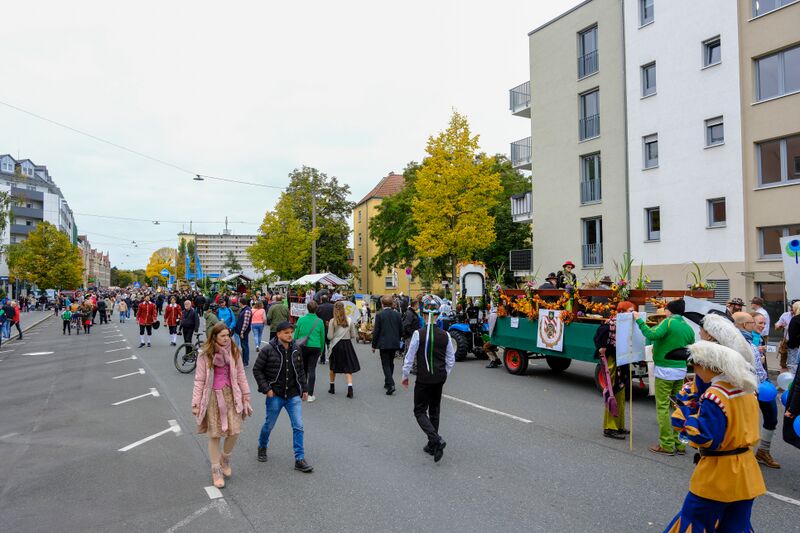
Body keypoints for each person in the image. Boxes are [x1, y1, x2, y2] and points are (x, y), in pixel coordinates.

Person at [665, 340, 765, 533]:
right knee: (735, 526)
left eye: (694, 365)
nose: (694, 370)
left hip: (718, 474)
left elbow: (707, 438)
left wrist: (684, 415)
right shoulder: (747, 389)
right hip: (746, 471)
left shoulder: (715, 394)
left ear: (706, 366)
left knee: (694, 521)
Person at [191, 322, 252, 489]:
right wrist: (196, 403)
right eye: (223, 336)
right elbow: (199, 380)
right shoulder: (205, 354)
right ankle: (216, 469)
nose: (227, 338)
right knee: (215, 434)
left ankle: (225, 458)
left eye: (228, 335)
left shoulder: (234, 351)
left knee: (235, 430)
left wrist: (246, 394)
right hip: (212, 397)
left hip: (232, 395)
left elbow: (241, 374)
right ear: (214, 337)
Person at [634, 299, 695, 455]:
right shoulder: (688, 328)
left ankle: (666, 444)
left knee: (662, 407)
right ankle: (680, 444)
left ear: (670, 311)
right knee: (678, 407)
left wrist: (638, 320)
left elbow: (651, 334)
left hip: (664, 370)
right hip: (680, 370)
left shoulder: (668, 323)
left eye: (666, 310)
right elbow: (691, 348)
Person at [252, 321, 313, 473]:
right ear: (278, 334)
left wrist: (304, 389)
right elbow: (257, 370)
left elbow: (300, 370)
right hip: (276, 395)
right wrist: (266, 389)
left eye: (291, 332)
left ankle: (299, 459)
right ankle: (262, 446)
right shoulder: (267, 350)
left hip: (293, 395)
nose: (289, 335)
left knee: (298, 426)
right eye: (286, 332)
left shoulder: (296, 349)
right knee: (269, 425)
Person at [402, 295, 455, 463]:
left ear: (423, 315)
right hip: (439, 378)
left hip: (424, 378)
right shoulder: (445, 335)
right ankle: (432, 444)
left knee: (419, 410)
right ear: (438, 315)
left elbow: (409, 357)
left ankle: (436, 439)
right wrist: (444, 373)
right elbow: (450, 359)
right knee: (434, 410)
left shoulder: (418, 334)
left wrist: (405, 374)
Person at [732, 311, 780, 469]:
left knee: (771, 418)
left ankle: (763, 451)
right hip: (749, 388)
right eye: (757, 323)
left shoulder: (752, 341)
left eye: (763, 323)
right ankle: (741, 456)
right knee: (746, 423)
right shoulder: (737, 343)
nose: (762, 326)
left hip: (763, 385)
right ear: (746, 325)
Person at [593, 301, 636, 439]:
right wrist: (602, 348)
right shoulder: (610, 324)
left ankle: (619, 425)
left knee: (621, 393)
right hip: (612, 362)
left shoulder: (629, 325)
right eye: (630, 311)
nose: (633, 314)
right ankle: (609, 427)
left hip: (623, 361)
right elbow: (598, 339)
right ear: (622, 311)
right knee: (612, 392)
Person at [293, 301, 325, 402]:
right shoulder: (319, 321)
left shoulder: (301, 319)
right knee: (312, 369)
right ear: (316, 309)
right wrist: (322, 350)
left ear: (307, 308)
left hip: (302, 346)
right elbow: (322, 337)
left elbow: (295, 335)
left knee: (303, 369)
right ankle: (310, 394)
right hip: (315, 346)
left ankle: (303, 392)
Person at [327, 301, 360, 398]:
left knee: (333, 366)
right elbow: (353, 335)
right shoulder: (349, 320)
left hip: (336, 345)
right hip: (347, 345)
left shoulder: (333, 321)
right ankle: (350, 387)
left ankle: (332, 387)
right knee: (348, 367)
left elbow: (330, 336)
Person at [372, 295, 403, 395]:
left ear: (382, 304)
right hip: (394, 342)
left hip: (384, 343)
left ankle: (391, 384)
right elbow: (401, 329)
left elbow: (376, 331)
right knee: (391, 363)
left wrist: (373, 345)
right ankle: (387, 381)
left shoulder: (380, 315)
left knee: (385, 364)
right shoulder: (397, 314)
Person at [775, 301, 797, 372]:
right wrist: (780, 326)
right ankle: (784, 380)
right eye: (790, 307)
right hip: (786, 342)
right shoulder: (785, 315)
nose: (791, 309)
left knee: (795, 363)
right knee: (783, 363)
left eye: (792, 307)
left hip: (797, 343)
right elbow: (776, 326)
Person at [316, 295, 335, 364]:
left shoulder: (319, 307)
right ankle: (331, 357)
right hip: (331, 326)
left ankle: (322, 358)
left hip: (321, 327)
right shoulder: (332, 306)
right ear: (328, 299)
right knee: (330, 343)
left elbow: (316, 317)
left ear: (321, 300)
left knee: (322, 343)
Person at [235, 297, 253, 367]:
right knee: (243, 346)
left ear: (241, 303)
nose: (238, 303)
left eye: (239, 302)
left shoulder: (247, 310)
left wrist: (242, 332)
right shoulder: (244, 310)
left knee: (245, 346)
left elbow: (245, 323)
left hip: (243, 332)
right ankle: (244, 360)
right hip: (241, 331)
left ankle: (246, 361)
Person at [785, 300, 800, 374]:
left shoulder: (795, 319)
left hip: (795, 347)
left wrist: (789, 345)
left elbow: (792, 335)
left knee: (793, 367)